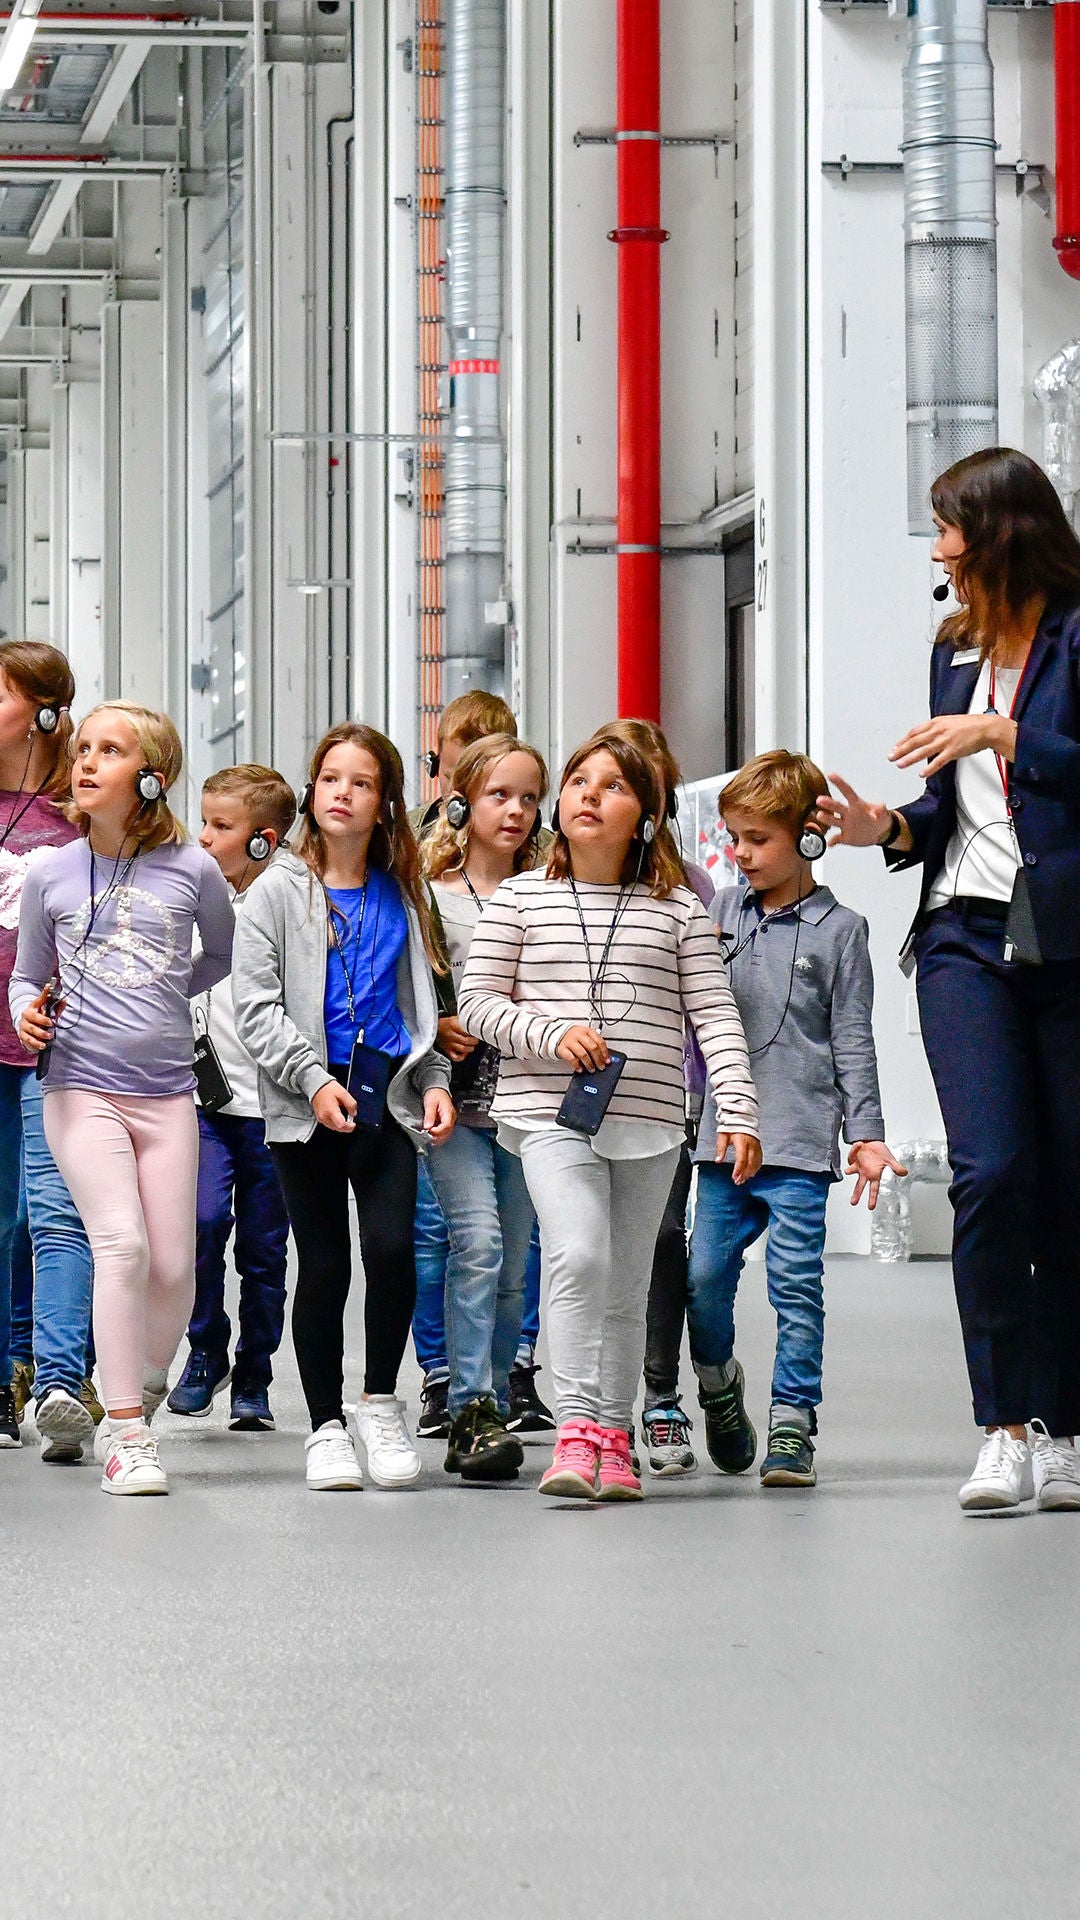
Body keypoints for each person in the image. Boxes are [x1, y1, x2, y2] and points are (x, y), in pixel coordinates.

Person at [818, 446, 1080, 1514]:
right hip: (964, 939)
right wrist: (884, 827)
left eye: (949, 530)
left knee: (1064, 1189)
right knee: (991, 1176)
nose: (938, 553)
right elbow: (952, 812)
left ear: (1001, 534)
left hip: (1064, 941)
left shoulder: (1073, 635)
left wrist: (1007, 728)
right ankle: (1002, 1427)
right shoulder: (953, 649)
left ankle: (1066, 1428)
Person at [458, 727, 760, 1502]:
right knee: (580, 1254)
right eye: (580, 781)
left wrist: (739, 1110)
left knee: (626, 1287)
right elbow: (479, 1003)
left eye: (615, 786)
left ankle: (615, 1437)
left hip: (654, 1120)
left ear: (648, 816)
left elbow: (716, 1017)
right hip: (547, 1113)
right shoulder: (522, 898)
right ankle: (576, 1430)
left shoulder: (679, 912)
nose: (590, 794)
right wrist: (552, 1034)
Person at [10, 702, 234, 1495]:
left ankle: (129, 1381)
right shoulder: (51, 872)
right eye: (83, 748)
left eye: (110, 751)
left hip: (168, 1093)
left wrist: (164, 996)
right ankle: (130, 1436)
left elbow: (217, 954)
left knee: (176, 1268)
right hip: (78, 1088)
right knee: (122, 1246)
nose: (86, 761)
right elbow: (26, 975)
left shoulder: (194, 869)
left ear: (151, 776)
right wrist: (27, 1014)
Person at [232, 723, 454, 1494]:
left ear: (384, 802)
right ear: (310, 791)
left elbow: (420, 1006)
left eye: (361, 783)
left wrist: (433, 1082)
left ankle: (378, 1405)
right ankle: (324, 1425)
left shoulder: (403, 891)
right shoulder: (274, 891)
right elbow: (256, 1010)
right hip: (306, 1101)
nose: (342, 794)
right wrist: (311, 1079)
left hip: (385, 1095)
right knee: (324, 1263)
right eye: (330, 778)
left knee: (393, 1250)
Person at [686, 750, 905, 1489]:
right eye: (734, 840)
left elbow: (852, 1038)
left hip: (801, 1144)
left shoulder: (843, 932)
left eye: (758, 840)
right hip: (721, 1141)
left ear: (808, 840)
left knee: (795, 1287)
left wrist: (866, 1134)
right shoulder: (718, 912)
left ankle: (792, 1423)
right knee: (704, 1280)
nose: (741, 855)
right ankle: (719, 1386)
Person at [423, 732, 549, 1480]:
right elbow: (412, 994)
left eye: (531, 798)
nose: (518, 811)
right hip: (457, 1104)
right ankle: (468, 1403)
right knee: (479, 1246)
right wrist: (434, 1031)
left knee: (512, 1268)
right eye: (501, 795)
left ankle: (495, 1401)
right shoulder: (431, 900)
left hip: (529, 1104)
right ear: (464, 801)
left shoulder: (546, 894)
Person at [167, 766, 296, 1432]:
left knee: (264, 1252)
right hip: (206, 1107)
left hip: (271, 1112)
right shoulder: (190, 898)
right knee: (201, 1225)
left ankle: (254, 1374)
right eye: (205, 821)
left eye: (222, 827)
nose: (204, 836)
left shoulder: (290, 905)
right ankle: (206, 1348)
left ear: (261, 841)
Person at [606, 716, 715, 1478]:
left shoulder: (693, 890)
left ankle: (662, 1395)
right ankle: (594, 1407)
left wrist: (712, 1096)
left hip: (665, 1097)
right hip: (577, 1097)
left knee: (662, 1237)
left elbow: (708, 1008)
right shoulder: (561, 878)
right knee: (587, 1248)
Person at [0, 643, 96, 1461]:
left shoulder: (79, 808)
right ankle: (2, 1382)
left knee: (57, 1216)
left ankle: (62, 1381)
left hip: (58, 1045)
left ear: (42, 711)